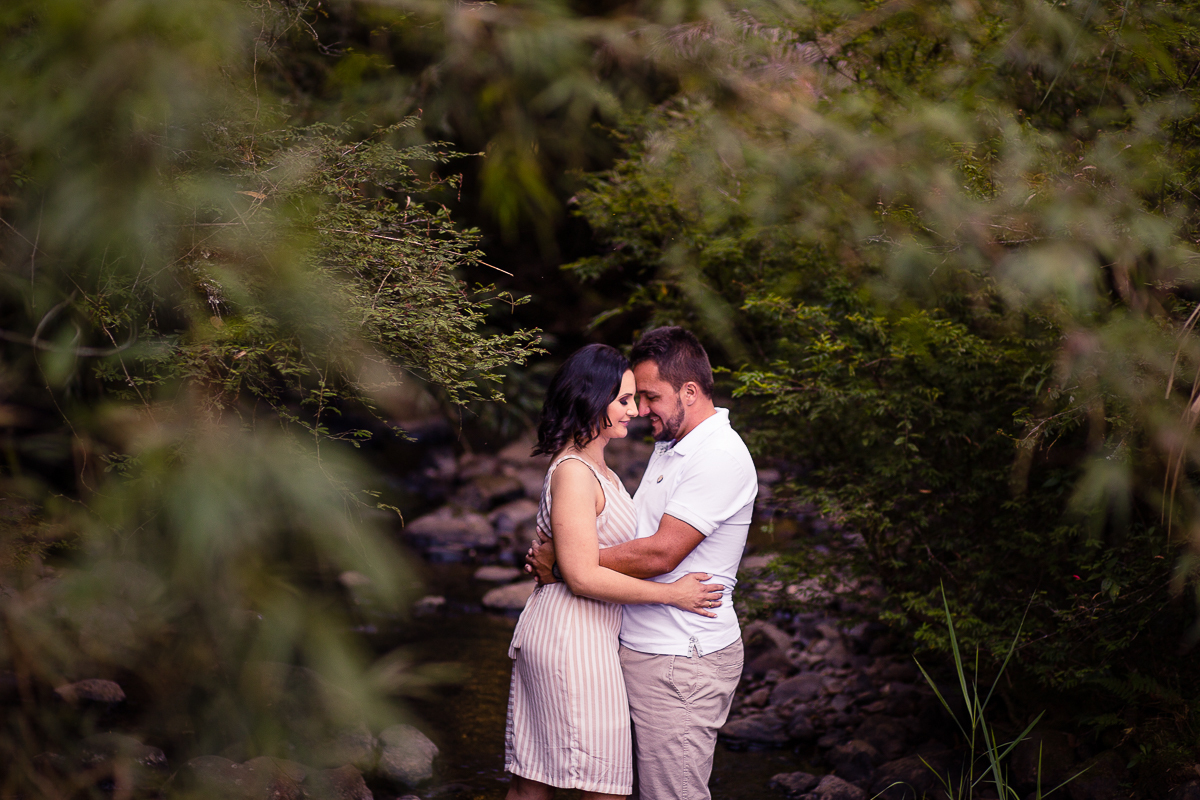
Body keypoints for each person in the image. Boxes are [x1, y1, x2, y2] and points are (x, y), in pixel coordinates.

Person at [528, 326, 757, 800]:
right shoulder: (672, 446)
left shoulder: (719, 455)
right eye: (633, 397)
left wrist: (567, 563)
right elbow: (632, 535)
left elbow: (659, 551)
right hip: (634, 648)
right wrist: (571, 558)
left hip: (680, 657)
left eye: (650, 396)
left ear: (690, 392)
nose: (641, 409)